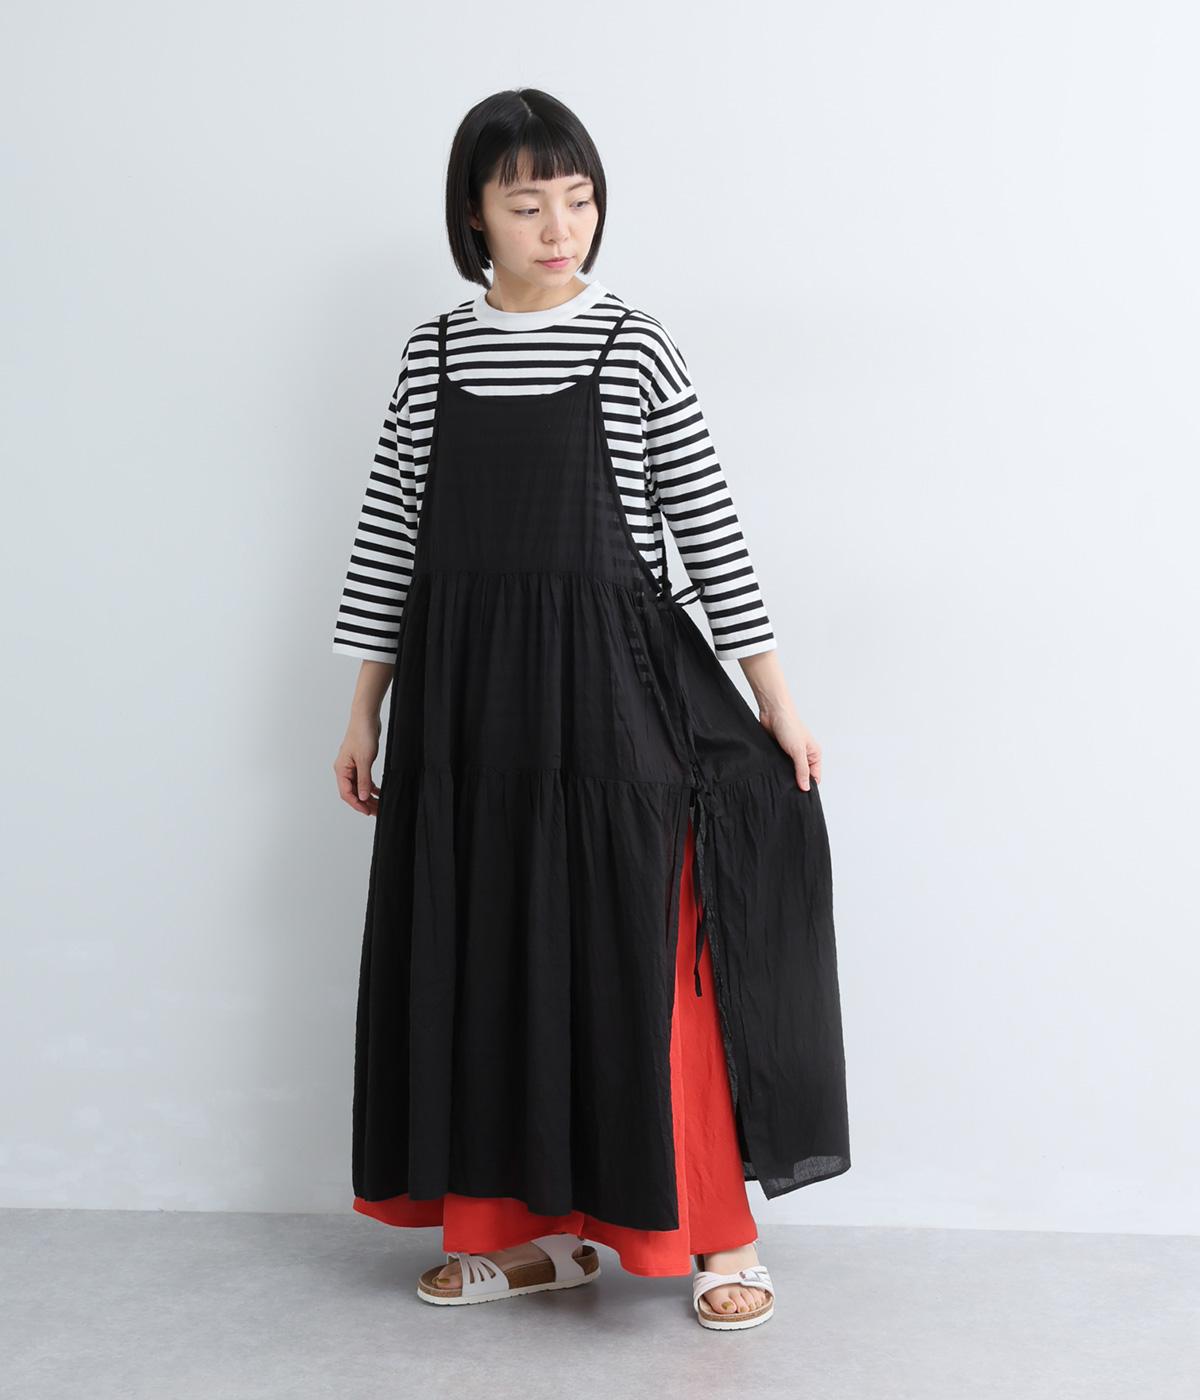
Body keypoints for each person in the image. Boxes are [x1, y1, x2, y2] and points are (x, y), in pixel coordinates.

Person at [331, 87, 850, 1332]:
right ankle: (522, 1238)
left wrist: (777, 703)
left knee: (649, 959)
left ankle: (716, 1232)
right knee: (490, 952)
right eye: (528, 203)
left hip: (616, 697)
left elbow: (711, 531)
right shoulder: (432, 355)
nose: (561, 227)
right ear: (475, 215)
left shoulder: (632, 345)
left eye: (579, 199)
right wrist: (363, 710)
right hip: (467, 709)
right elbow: (390, 538)